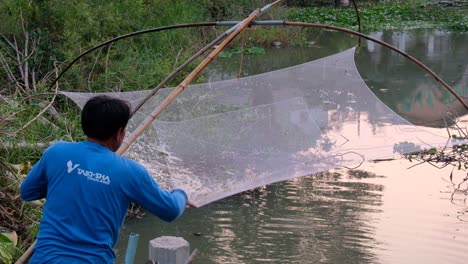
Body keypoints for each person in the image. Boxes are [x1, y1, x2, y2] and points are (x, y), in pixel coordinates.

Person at [20, 95, 193, 263]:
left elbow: (27, 192)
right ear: (119, 133)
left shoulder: (56, 152)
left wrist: (68, 182)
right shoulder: (130, 171)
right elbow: (171, 210)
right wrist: (182, 193)